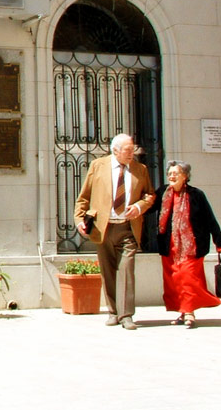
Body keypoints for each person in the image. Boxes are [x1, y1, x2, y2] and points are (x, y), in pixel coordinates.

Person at [74, 133, 156, 330]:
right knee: (108, 271)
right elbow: (84, 197)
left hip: (127, 227)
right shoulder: (98, 166)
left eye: (133, 149)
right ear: (116, 150)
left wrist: (139, 207)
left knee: (126, 269)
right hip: (104, 227)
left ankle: (126, 315)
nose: (132, 154)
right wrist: (79, 219)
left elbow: (149, 195)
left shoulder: (140, 169)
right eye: (128, 150)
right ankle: (113, 312)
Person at [148, 160, 221, 328]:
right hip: (169, 247)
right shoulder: (163, 192)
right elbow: (150, 208)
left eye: (175, 173)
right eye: (169, 173)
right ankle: (183, 312)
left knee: (188, 279)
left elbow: (210, 219)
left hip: (191, 246)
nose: (171, 176)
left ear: (185, 176)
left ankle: (190, 312)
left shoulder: (197, 195)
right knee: (175, 281)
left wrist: (220, 243)